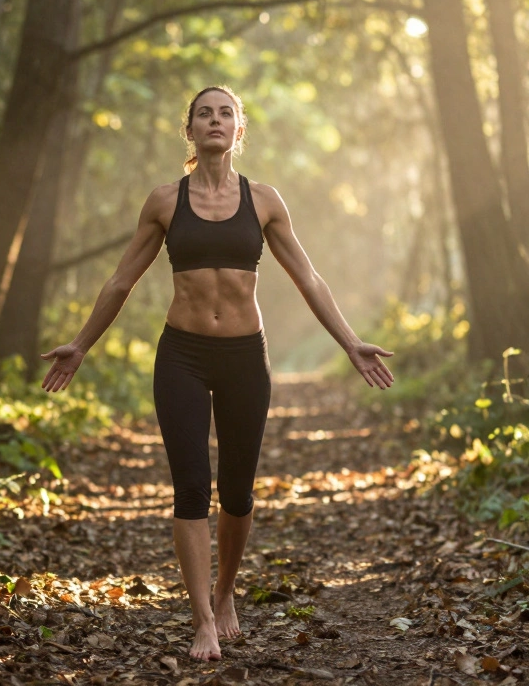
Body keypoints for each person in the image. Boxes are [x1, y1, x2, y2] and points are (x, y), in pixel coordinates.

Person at [39, 85, 395, 662]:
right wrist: (80, 345)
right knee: (190, 488)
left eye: (225, 113)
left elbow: (309, 278)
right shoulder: (162, 201)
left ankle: (226, 591)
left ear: (238, 129)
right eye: (204, 113)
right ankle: (202, 617)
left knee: (237, 492)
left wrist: (351, 343)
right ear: (190, 130)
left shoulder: (264, 201)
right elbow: (120, 281)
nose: (214, 120)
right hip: (181, 354)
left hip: (243, 357)